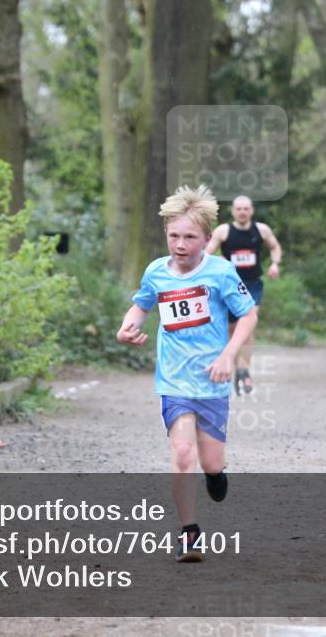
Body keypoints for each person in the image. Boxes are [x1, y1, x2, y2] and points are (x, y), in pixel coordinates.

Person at [117, 184, 258, 561]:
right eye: (174, 236)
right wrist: (127, 327)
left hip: (212, 381)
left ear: (207, 239)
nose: (180, 244)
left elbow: (248, 315)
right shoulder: (156, 272)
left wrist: (228, 355)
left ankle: (215, 473)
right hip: (174, 380)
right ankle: (189, 534)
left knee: (210, 461)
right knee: (182, 453)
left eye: (190, 237)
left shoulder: (221, 272)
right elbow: (141, 305)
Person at [205, 195, 282, 395]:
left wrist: (275, 264)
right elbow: (206, 254)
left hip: (252, 284)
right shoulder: (223, 231)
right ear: (233, 211)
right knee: (232, 330)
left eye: (246, 208)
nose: (242, 212)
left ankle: (244, 371)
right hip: (229, 286)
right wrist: (220, 259)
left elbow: (275, 246)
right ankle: (232, 367)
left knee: (248, 324)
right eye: (238, 209)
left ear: (251, 210)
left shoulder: (261, 230)